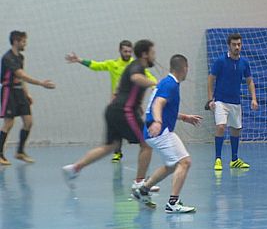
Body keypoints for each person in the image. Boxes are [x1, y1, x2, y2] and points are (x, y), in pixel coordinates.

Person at [62, 40, 159, 191]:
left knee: (110, 146)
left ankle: (74, 168)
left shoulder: (137, 67)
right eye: (153, 53)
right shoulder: (136, 67)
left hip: (113, 110)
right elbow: (135, 79)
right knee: (147, 143)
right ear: (145, 54)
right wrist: (155, 84)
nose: (155, 56)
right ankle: (140, 183)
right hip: (124, 111)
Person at [132, 54, 201, 214]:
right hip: (159, 131)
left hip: (152, 133)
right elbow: (158, 104)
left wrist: (184, 117)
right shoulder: (170, 85)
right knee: (185, 162)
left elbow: (165, 107)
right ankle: (172, 203)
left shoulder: (166, 83)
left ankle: (143, 190)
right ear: (185, 69)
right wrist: (158, 121)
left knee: (171, 165)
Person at [0, 31, 56, 165]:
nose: (25, 44)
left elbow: (21, 78)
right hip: (9, 92)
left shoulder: (20, 57)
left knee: (28, 122)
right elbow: (21, 74)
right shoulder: (8, 58)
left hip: (19, 92)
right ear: (15, 41)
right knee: (9, 123)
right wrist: (41, 83)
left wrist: (27, 93)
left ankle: (20, 152)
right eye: (23, 41)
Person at [207, 33, 258, 170]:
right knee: (221, 126)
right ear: (229, 45)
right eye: (234, 44)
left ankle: (234, 160)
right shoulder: (220, 61)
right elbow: (211, 79)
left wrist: (253, 98)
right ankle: (218, 159)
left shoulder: (244, 63)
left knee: (236, 130)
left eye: (239, 44)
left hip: (236, 102)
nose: (237, 47)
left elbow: (249, 81)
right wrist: (210, 99)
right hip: (221, 101)